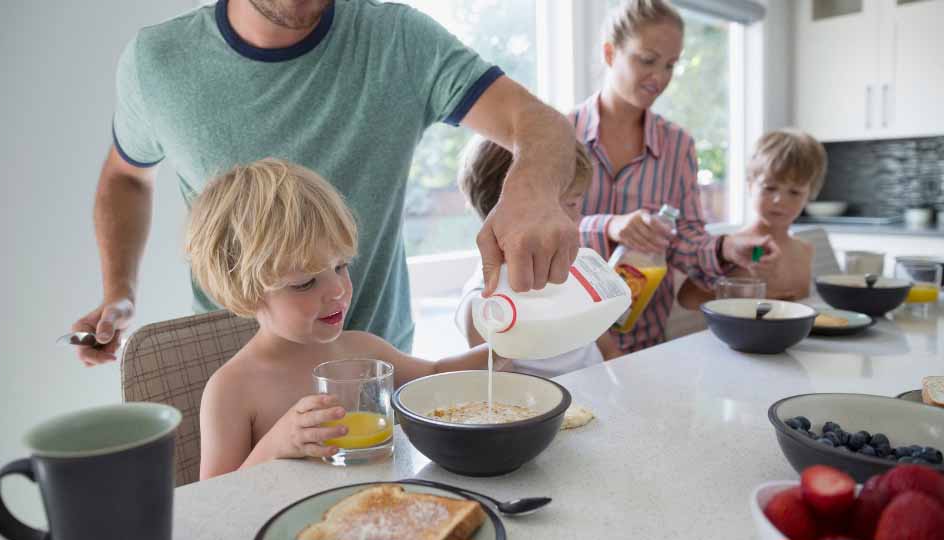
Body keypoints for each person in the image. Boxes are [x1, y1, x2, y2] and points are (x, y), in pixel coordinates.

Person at [71, 0, 580, 366]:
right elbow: (126, 178)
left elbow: (541, 124)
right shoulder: (156, 63)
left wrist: (531, 196)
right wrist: (121, 292)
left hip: (376, 369)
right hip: (228, 366)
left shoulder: (399, 40)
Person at [188, 159, 509, 480]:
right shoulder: (232, 389)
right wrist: (275, 444)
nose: (338, 289)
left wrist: (509, 345)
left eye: (341, 266)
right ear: (246, 293)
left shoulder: (362, 351)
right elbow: (215, 499)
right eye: (305, 283)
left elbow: (436, 375)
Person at [570, 0, 779, 355]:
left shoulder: (678, 145)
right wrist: (608, 226)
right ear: (610, 53)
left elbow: (686, 241)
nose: (660, 78)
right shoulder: (560, 134)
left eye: (670, 65)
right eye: (647, 60)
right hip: (567, 345)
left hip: (643, 344)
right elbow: (534, 232)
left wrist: (728, 247)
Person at [454, 138, 618, 377]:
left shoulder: (575, 275)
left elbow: (611, 353)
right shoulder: (486, 306)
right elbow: (502, 400)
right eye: (572, 203)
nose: (578, 216)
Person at [678, 129, 828, 309]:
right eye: (770, 188)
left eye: (794, 192)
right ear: (750, 185)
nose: (779, 199)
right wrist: (742, 296)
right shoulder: (737, 248)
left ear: (810, 194)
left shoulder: (805, 249)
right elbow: (687, 297)